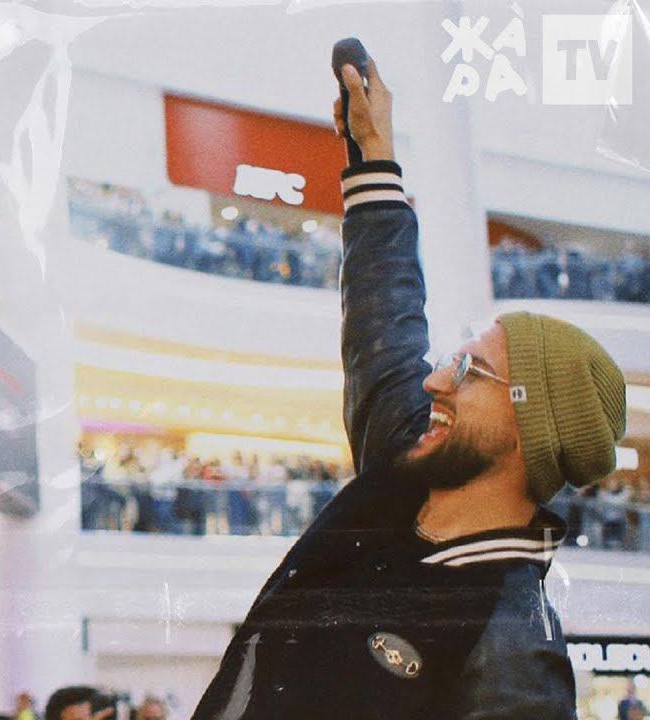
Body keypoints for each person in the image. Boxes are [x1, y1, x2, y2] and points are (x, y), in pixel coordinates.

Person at [191, 55, 626, 720]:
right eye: (453, 361)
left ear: (527, 432)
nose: (435, 379)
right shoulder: (403, 467)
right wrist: (374, 156)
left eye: (470, 372)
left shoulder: (513, 644)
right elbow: (383, 323)